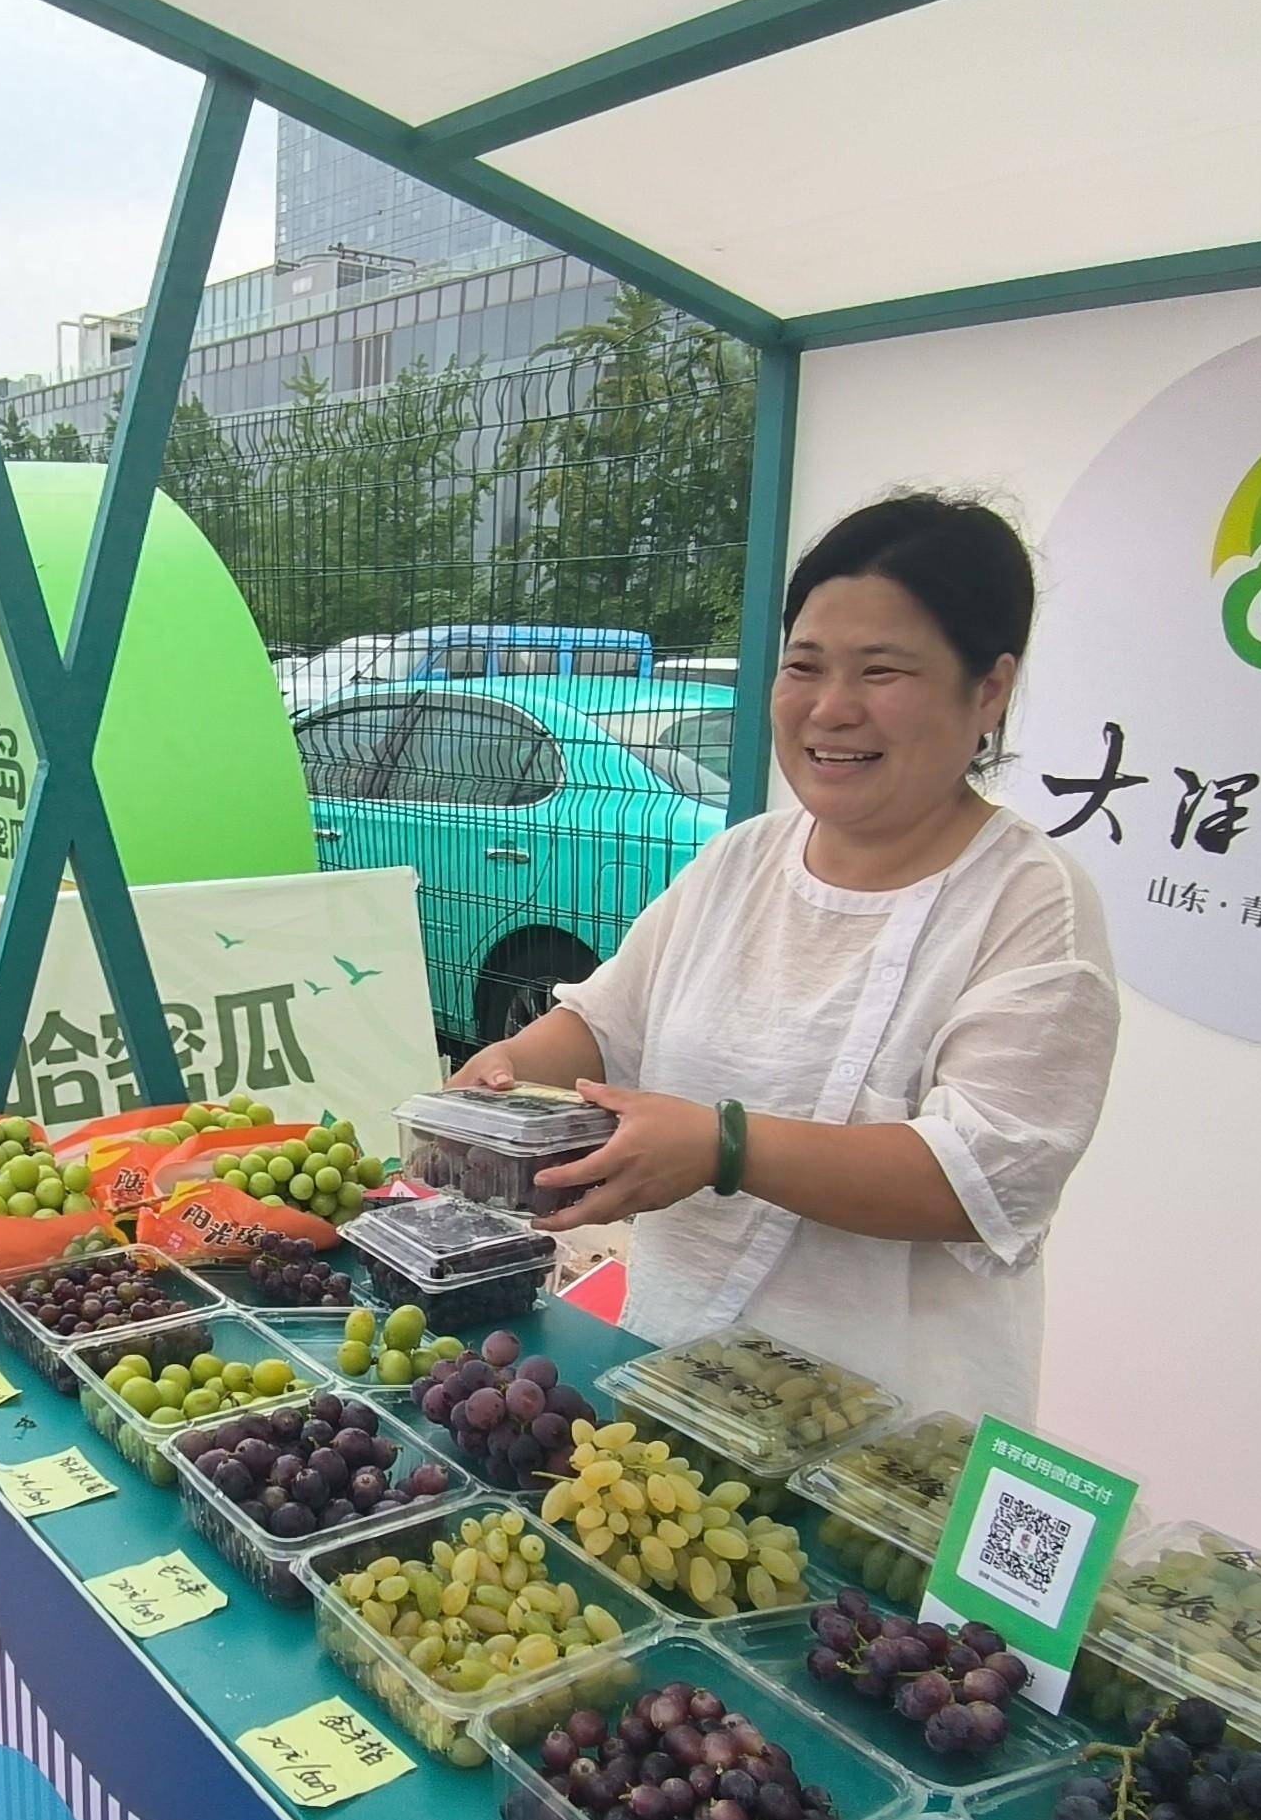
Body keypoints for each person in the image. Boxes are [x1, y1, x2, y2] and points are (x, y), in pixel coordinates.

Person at [457, 493, 1120, 1424]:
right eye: (804, 666)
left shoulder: (1029, 904)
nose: (832, 708)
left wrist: (726, 1148)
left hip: (887, 1434)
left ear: (990, 689)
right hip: (670, 1370)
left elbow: (980, 1179)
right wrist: (514, 1071)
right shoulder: (746, 858)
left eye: (882, 672)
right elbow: (610, 1022)